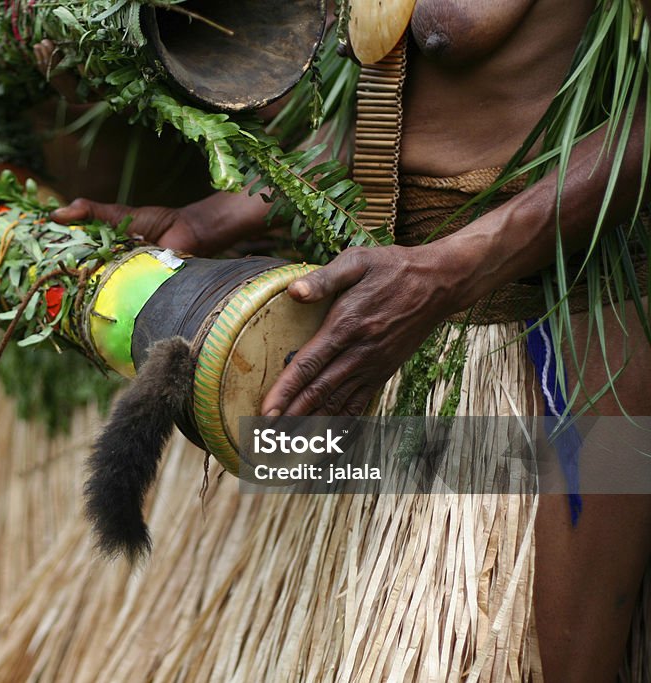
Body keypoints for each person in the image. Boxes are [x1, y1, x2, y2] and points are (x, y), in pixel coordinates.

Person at [51, 1, 651, 680]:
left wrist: (451, 269)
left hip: (551, 348)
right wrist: (212, 215)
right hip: (383, 333)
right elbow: (382, 115)